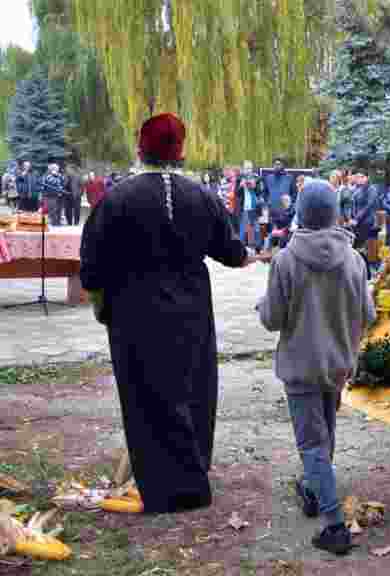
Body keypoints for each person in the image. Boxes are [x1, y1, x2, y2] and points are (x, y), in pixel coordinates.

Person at [79, 113, 258, 515]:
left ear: (140, 148)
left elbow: (91, 268)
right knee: (192, 392)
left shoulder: (117, 199)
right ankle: (193, 479)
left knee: (146, 397)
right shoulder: (202, 196)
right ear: (180, 150)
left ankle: (162, 488)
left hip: (135, 315)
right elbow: (231, 253)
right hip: (191, 313)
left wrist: (102, 303)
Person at [257, 178, 374, 556]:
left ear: (300, 214)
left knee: (311, 443)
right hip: (339, 363)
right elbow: (368, 314)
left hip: (302, 366)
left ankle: (334, 525)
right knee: (325, 434)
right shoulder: (355, 260)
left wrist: (263, 305)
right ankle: (312, 489)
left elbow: (272, 319)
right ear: (336, 213)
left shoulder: (286, 260)